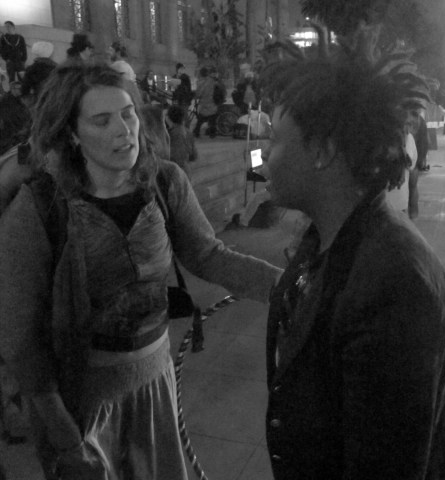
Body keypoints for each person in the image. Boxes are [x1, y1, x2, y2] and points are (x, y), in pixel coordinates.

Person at [0, 63, 282, 480]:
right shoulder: (41, 207)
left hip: (154, 383)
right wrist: (63, 435)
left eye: (128, 113)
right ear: (72, 134)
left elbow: (209, 255)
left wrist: (290, 286)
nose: (124, 129)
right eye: (102, 120)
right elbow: (20, 335)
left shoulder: (164, 182)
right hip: (81, 400)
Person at [260, 52, 445, 479]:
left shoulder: (393, 286)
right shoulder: (328, 236)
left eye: (275, 138)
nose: (264, 153)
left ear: (322, 151)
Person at [21, 41, 57, 109]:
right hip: (55, 104)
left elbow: (24, 91)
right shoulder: (57, 69)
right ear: (50, 54)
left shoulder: (31, 69)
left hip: (38, 104)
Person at [0, 80, 30, 155]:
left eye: (21, 88)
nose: (21, 90)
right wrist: (18, 131)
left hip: (19, 129)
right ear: (12, 89)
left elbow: (24, 111)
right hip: (11, 132)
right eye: (18, 88)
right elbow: (7, 118)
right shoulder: (5, 100)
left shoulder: (18, 98)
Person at [166, 104, 197, 173]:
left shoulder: (169, 134)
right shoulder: (188, 132)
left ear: (168, 118)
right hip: (185, 170)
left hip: (172, 171)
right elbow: (194, 156)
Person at [193, 67, 217, 138]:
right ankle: (212, 133)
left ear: (201, 73)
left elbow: (199, 93)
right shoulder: (211, 80)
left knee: (201, 117)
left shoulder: (201, 82)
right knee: (212, 118)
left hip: (204, 102)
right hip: (212, 102)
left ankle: (197, 131)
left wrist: (195, 96)